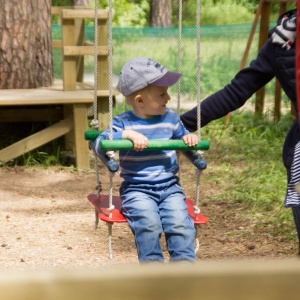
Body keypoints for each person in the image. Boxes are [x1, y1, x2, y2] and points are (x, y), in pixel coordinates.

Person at [180, 8, 300, 255]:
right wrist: (179, 125)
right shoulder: (283, 40)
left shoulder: (283, 39)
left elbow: (235, 92)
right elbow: (237, 92)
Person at [90, 57, 199, 263]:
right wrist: (126, 135)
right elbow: (99, 143)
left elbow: (182, 134)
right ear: (140, 101)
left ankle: (184, 275)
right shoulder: (122, 123)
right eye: (161, 94)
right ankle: (153, 276)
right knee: (148, 224)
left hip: (170, 188)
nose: (168, 98)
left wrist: (187, 138)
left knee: (180, 225)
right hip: (137, 190)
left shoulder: (171, 119)